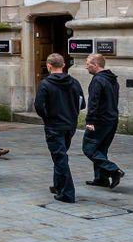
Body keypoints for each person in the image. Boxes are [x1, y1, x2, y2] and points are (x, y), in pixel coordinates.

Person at [34, 53, 85, 203]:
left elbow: (38, 106)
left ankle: (67, 193)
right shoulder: (74, 82)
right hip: (70, 125)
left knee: (60, 158)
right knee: (60, 155)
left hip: (54, 126)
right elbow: (82, 103)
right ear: (63, 65)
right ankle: (58, 186)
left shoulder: (45, 84)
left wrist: (47, 117)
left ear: (49, 66)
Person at [82, 53, 124, 189]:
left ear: (96, 65)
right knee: (101, 149)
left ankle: (113, 170)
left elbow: (93, 102)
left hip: (100, 120)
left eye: (88, 64)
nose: (85, 66)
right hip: (111, 119)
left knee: (88, 148)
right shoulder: (112, 79)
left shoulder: (98, 80)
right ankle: (101, 179)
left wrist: (90, 121)